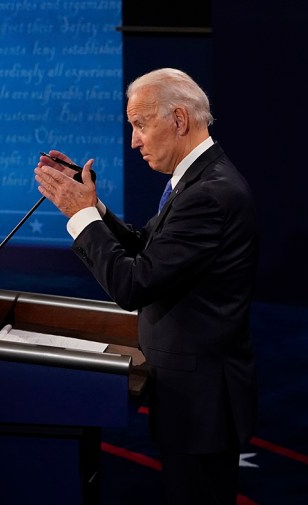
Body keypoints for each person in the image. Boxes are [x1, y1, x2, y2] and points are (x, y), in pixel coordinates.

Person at [34, 68, 258, 505]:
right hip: (192, 396)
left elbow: (133, 283)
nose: (134, 141)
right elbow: (150, 249)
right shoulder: (198, 179)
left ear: (178, 120)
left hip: (202, 405)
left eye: (140, 124)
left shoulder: (209, 193)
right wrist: (93, 206)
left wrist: (80, 218)